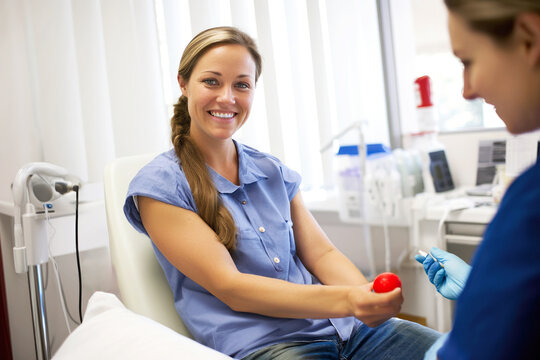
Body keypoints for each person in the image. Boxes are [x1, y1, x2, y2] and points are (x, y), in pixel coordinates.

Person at [123, 26, 440, 359]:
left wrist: (366, 296)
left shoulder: (271, 171)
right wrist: (347, 300)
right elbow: (233, 289)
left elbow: (322, 255)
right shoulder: (160, 186)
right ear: (184, 84)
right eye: (211, 81)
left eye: (241, 85)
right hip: (271, 346)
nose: (227, 97)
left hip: (349, 329)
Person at [415, 1, 540, 359]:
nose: (466, 91)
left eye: (468, 61)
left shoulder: (531, 199)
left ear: (529, 39)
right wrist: (482, 288)